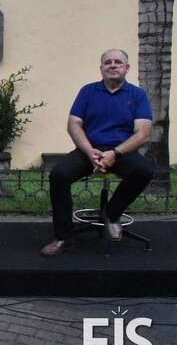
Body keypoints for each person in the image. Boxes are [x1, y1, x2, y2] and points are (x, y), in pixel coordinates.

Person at [41, 49, 155, 256]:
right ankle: (63, 238)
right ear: (101, 68)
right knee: (59, 175)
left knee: (144, 171)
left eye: (118, 62)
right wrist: (89, 151)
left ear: (126, 68)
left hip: (122, 150)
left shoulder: (137, 95)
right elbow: (74, 124)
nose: (113, 65)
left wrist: (115, 153)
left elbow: (143, 133)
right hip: (89, 149)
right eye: (108, 62)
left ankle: (111, 213)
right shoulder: (87, 91)